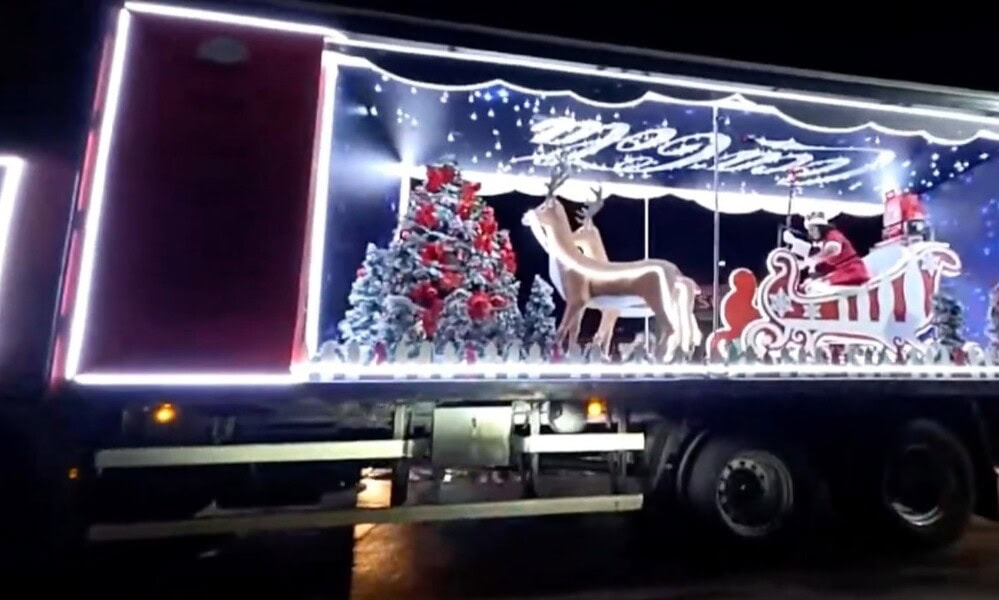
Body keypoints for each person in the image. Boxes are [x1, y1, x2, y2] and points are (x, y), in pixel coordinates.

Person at [782, 212, 870, 294]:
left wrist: (814, 260)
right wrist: (794, 242)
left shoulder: (833, 235)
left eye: (812, 229)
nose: (810, 233)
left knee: (814, 287)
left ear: (820, 228)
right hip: (844, 272)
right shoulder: (824, 241)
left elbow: (833, 249)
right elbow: (814, 253)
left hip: (852, 272)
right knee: (808, 284)